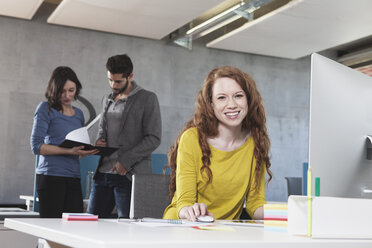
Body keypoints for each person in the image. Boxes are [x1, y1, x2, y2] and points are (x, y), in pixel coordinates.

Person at [163, 66, 272, 221]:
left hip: (226, 231)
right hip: (184, 225)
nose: (232, 104)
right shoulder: (191, 139)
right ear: (211, 104)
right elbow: (184, 203)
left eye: (238, 96)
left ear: (248, 99)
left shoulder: (257, 143)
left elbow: (255, 203)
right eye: (222, 98)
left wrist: (289, 213)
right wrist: (192, 211)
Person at [87, 54, 162, 218]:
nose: (113, 85)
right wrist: (99, 142)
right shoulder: (106, 99)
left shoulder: (147, 98)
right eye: (110, 80)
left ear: (130, 76)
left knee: (128, 230)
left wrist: (125, 162)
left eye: (118, 81)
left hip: (128, 175)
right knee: (89, 223)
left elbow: (154, 137)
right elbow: (102, 131)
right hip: (103, 173)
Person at [30, 66, 98, 218]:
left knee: (74, 228)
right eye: (62, 91)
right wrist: (69, 151)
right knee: (52, 230)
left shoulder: (79, 114)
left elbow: (77, 151)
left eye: (71, 90)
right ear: (54, 90)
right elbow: (36, 146)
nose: (67, 95)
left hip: (73, 177)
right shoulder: (45, 109)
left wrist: (85, 151)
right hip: (50, 177)